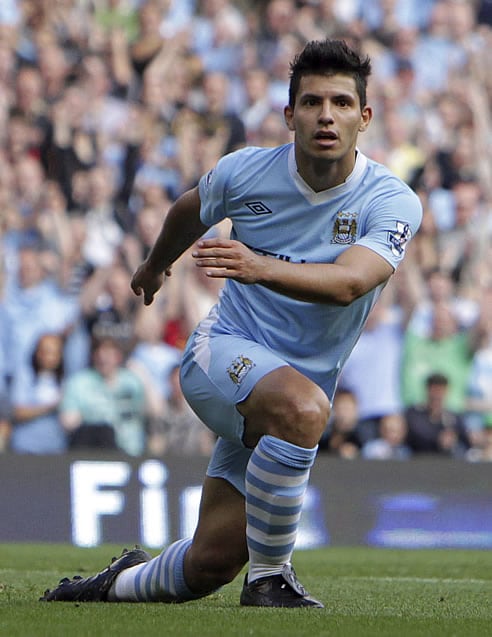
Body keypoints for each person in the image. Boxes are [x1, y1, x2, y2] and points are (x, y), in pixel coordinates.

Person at [41, 38, 422, 608]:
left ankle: (111, 584)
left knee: (210, 561)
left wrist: (258, 265)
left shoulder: (391, 200)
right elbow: (189, 210)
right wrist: (152, 267)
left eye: (342, 103)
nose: (326, 115)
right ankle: (271, 579)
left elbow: (349, 283)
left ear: (364, 117)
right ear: (288, 115)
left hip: (290, 386)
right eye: (312, 102)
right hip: (221, 354)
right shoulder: (246, 172)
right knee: (303, 409)